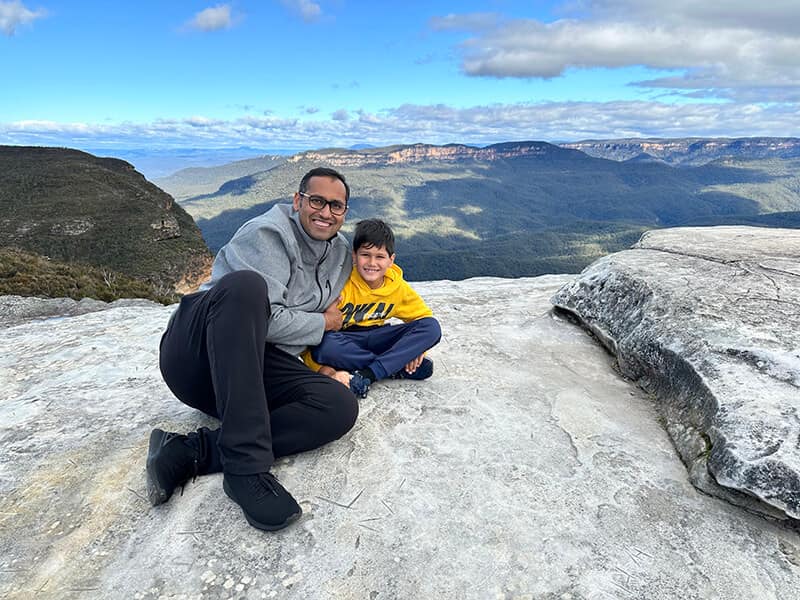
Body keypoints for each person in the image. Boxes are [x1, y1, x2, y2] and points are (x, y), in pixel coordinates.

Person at [147, 167, 358, 532]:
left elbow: (377, 280)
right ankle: (245, 469)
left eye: (336, 206)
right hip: (196, 353)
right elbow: (269, 318)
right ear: (297, 201)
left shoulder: (341, 252)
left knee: (338, 405)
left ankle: (189, 451)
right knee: (245, 287)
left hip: (250, 368)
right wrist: (323, 323)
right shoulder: (267, 234)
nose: (326, 212)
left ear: (345, 212)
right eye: (317, 201)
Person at [305, 219, 441, 398]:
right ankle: (392, 366)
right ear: (354, 256)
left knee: (431, 327)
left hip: (379, 337)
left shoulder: (397, 287)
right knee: (324, 345)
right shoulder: (341, 283)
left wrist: (418, 350)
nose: (372, 263)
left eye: (380, 256)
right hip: (347, 339)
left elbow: (423, 320)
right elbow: (313, 331)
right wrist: (322, 369)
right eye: (365, 255)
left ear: (391, 260)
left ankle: (368, 374)